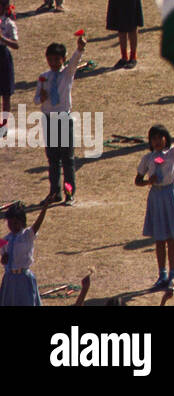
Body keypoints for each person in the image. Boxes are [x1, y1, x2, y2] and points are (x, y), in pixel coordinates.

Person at [135, 116, 174, 291]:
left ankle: (173, 275)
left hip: (171, 195)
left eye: (159, 137)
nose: (156, 141)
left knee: (171, 238)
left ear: (166, 138)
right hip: (156, 197)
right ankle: (162, 274)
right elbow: (137, 180)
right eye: (153, 138)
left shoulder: (173, 153)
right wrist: (149, 182)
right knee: (159, 238)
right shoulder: (147, 159)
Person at [37, 29, 86, 205]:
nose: (54, 63)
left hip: (64, 119)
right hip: (48, 119)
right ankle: (55, 192)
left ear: (63, 60)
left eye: (57, 59)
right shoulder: (43, 77)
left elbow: (75, 62)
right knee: (52, 159)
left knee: (67, 159)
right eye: (50, 59)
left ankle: (69, 193)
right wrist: (40, 97)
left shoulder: (67, 73)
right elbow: (37, 99)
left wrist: (79, 49)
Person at [1, 201, 51, 306]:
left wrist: (44, 209)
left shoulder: (26, 236)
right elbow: (5, 260)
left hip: (23, 279)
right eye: (10, 223)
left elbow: (37, 225)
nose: (12, 226)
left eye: (15, 223)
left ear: (22, 222)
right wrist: (4, 259)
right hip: (9, 280)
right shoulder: (6, 240)